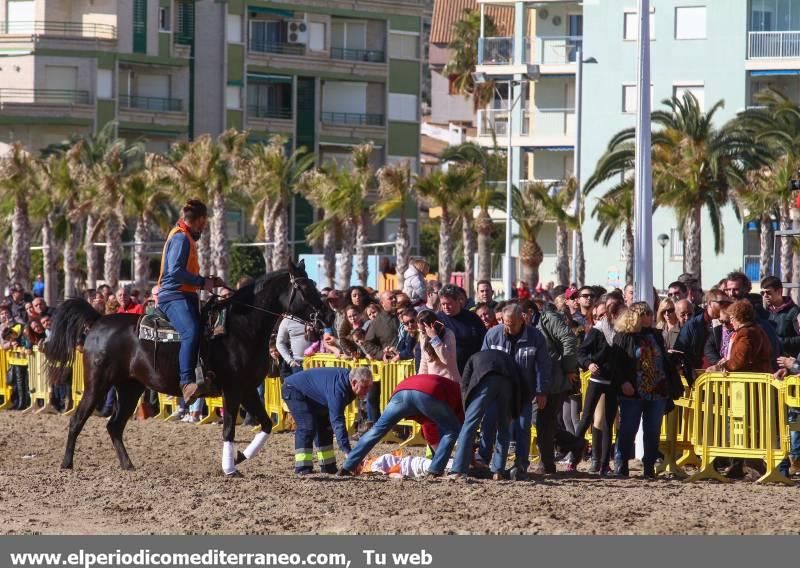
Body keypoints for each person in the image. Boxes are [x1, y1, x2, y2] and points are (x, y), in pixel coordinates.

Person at [157, 199, 224, 403]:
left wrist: (207, 282)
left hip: (185, 295)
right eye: (204, 223)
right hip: (173, 295)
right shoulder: (181, 239)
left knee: (208, 331)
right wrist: (203, 282)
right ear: (200, 220)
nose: (204, 227)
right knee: (191, 331)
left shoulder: (185, 237)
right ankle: (186, 382)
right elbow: (175, 272)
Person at [476, 304, 552, 480]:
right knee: (489, 423)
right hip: (496, 390)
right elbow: (483, 361)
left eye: (512, 324)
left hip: (523, 392)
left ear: (522, 320)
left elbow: (542, 366)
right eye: (505, 323)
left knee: (522, 426)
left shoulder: (535, 337)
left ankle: (521, 464)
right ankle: (483, 460)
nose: (508, 328)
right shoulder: (493, 334)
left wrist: (541, 391)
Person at [338, 374, 464, 478]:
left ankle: (347, 466)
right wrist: (464, 459)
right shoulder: (463, 399)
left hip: (401, 391)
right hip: (427, 392)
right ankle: (435, 471)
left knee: (377, 430)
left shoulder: (453, 389)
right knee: (452, 430)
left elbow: (428, 428)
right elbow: (464, 433)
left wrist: (439, 455)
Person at [611, 302, 682, 478]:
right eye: (647, 313)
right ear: (636, 316)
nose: (651, 316)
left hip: (657, 390)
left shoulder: (656, 335)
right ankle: (621, 462)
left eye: (651, 313)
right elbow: (615, 364)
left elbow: (662, 359)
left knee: (652, 430)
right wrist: (623, 383)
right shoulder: (624, 336)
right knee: (628, 428)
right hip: (633, 391)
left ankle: (649, 465)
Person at [450, 349, 530, 480]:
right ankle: (498, 470)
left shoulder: (473, 358)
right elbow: (520, 389)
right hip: (509, 379)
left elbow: (464, 386)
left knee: (469, 425)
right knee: (504, 429)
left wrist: (467, 412)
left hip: (486, 376)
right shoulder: (504, 360)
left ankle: (458, 469)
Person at [282, 366, 373, 474]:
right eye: (365, 387)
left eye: (369, 387)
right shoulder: (338, 390)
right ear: (354, 382)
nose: (367, 392)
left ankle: (328, 466)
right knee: (307, 427)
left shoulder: (348, 384)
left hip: (316, 396)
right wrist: (348, 453)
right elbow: (338, 421)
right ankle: (302, 468)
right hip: (294, 389)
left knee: (325, 428)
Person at [575, 302, 618, 475]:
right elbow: (581, 353)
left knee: (608, 424)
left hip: (613, 383)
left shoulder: (621, 333)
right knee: (586, 419)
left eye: (606, 314)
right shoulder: (596, 331)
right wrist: (589, 364)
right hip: (596, 380)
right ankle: (574, 458)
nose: (604, 318)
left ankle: (604, 464)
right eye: (600, 315)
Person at [674, 290, 727, 384]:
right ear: (710, 303)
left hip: (724, 377)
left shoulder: (728, 322)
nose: (725, 305)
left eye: (727, 302)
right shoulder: (693, 325)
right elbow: (680, 351)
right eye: (721, 303)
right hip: (699, 379)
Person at [707, 300, 773, 373]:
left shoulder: (746, 333)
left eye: (731, 319)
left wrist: (722, 367)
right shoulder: (757, 329)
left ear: (739, 317)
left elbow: (740, 358)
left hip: (750, 378)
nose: (731, 322)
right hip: (759, 375)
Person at [437, 284, 486, 374]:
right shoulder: (438, 320)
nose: (445, 307)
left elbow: (483, 341)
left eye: (449, 304)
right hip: (447, 371)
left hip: (471, 369)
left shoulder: (472, 318)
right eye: (443, 304)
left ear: (458, 301)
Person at [761, 276, 800, 357]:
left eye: (768, 292)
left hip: (788, 362)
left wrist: (776, 340)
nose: (765, 296)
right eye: (762, 293)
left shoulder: (794, 312)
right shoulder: (764, 313)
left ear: (779, 291)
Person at [417, 310, 460, 382]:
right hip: (433, 383)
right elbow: (424, 361)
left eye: (424, 331)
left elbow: (447, 360)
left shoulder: (448, 334)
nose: (422, 333)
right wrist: (419, 380)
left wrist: (434, 338)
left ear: (431, 326)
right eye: (420, 330)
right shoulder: (422, 335)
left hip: (449, 382)